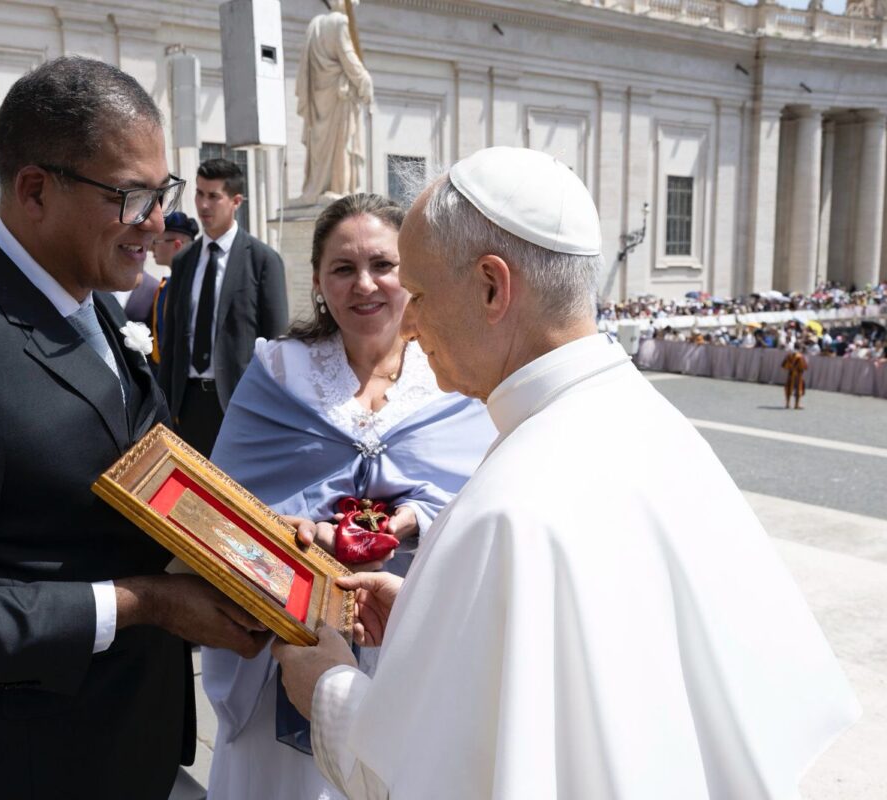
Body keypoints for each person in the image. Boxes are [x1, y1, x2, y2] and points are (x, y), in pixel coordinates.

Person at [272, 147, 860, 799]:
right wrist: (434, 615)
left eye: (419, 292)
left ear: (492, 287)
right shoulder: (648, 419)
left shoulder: (513, 506)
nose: (407, 323)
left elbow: (420, 782)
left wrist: (327, 685)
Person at [0, 57, 268, 799]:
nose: (156, 224)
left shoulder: (90, 302)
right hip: (3, 764)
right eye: (130, 197)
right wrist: (144, 602)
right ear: (35, 189)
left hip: (118, 745)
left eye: (159, 194)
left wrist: (257, 541)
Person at [202, 193, 496, 799]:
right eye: (343, 269)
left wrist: (411, 519)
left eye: (383, 266)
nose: (365, 285)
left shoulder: (455, 376)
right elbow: (224, 505)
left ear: (409, 273)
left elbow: (485, 498)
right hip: (292, 629)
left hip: (410, 624)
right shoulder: (277, 370)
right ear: (317, 281)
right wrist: (308, 531)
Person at [159, 158, 288, 456]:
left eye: (213, 196)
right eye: (199, 194)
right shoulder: (184, 261)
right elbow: (172, 342)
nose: (204, 205)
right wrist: (163, 405)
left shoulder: (262, 260)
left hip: (238, 403)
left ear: (236, 201)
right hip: (187, 403)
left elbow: (276, 346)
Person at [296, 0, 374, 202]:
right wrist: (365, 80)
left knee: (322, 146)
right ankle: (339, 187)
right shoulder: (340, 22)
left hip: (319, 97)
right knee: (341, 144)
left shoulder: (315, 25)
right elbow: (348, 57)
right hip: (339, 98)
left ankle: (319, 186)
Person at [149, 210, 199, 364]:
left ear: (177, 245)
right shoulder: (165, 285)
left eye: (156, 242)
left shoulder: (197, 285)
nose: (151, 249)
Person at [782, 344, 807, 409]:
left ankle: (787, 404)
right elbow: (804, 366)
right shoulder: (800, 356)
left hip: (790, 374)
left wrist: (791, 368)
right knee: (798, 388)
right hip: (798, 375)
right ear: (800, 347)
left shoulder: (789, 355)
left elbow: (784, 365)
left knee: (788, 388)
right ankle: (796, 405)